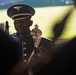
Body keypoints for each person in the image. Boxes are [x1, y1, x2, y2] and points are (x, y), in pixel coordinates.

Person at [7, 4, 53, 75]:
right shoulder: (8, 42)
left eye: (23, 21)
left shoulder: (43, 42)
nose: (19, 24)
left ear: (30, 23)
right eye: (16, 21)